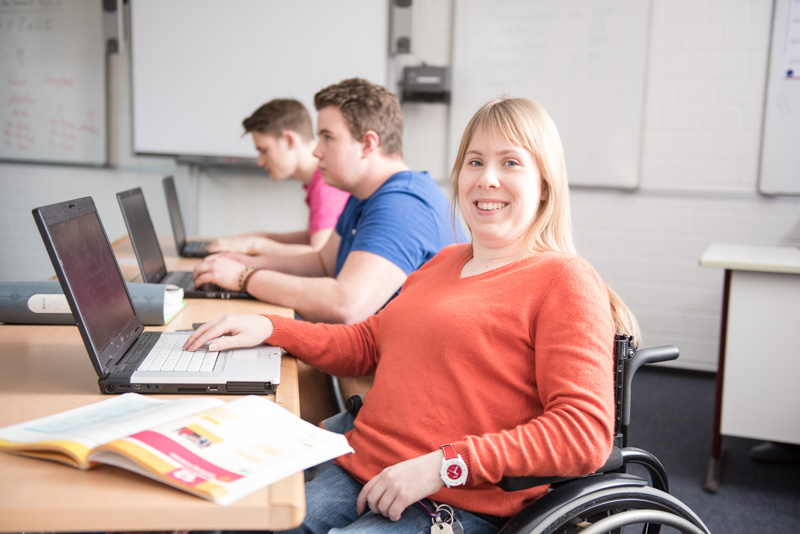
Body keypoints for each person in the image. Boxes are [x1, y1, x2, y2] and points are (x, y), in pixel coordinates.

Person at [184, 97, 641, 533]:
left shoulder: (564, 279)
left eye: (511, 163)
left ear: (545, 185)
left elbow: (583, 434)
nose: (487, 179)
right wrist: (273, 328)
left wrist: (444, 464)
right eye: (475, 161)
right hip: (360, 467)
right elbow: (367, 344)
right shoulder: (444, 261)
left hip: (453, 499)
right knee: (231, 517)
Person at [193, 78, 465, 424]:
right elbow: (323, 261)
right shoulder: (366, 194)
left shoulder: (402, 205)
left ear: (368, 144)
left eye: (327, 137)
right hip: (374, 371)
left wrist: (246, 277)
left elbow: (345, 304)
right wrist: (243, 261)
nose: (317, 150)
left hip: (411, 403)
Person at [206, 98, 350, 256]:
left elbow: (319, 254)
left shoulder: (325, 187)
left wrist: (255, 245)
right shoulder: (317, 181)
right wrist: (263, 238)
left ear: (289, 140)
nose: (260, 162)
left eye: (264, 150)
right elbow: (312, 237)